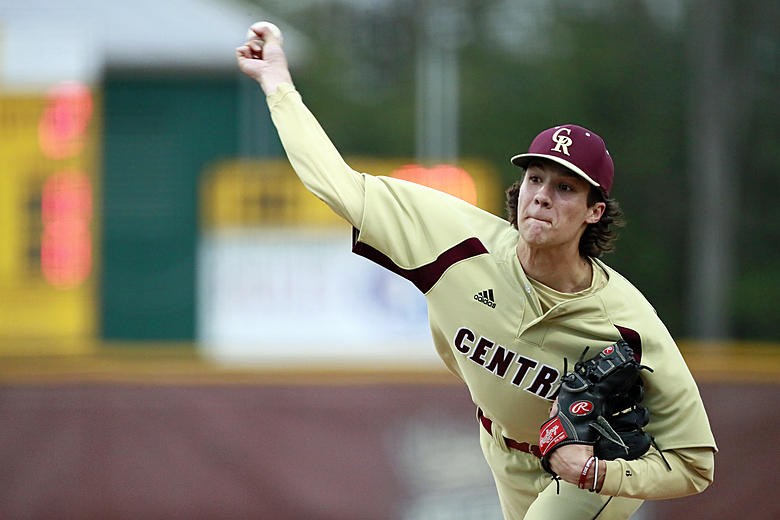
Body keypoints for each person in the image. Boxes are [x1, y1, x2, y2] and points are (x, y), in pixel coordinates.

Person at [236, 21, 717, 520]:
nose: (542, 197)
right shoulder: (458, 244)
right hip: (501, 448)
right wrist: (278, 84)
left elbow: (696, 464)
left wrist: (598, 473)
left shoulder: (627, 322)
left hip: (593, 466)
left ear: (595, 211)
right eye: (535, 178)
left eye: (566, 188)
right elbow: (337, 184)